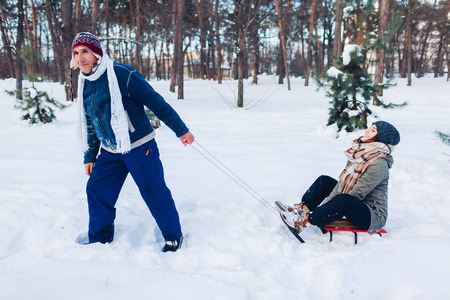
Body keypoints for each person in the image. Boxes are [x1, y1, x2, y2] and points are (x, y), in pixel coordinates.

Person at [70, 32, 194, 252]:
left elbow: (155, 102)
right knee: (97, 190)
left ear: (97, 53)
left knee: (153, 191)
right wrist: (90, 155)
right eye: (76, 53)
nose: (80, 58)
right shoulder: (85, 82)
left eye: (85, 52)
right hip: (110, 150)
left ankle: (173, 235)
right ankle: (100, 236)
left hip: (138, 146)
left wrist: (180, 129)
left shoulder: (121, 74)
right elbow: (90, 121)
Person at [276, 121, 400, 234]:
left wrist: (321, 213)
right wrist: (326, 208)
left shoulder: (379, 164)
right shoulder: (360, 154)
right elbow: (342, 184)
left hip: (371, 216)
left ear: (380, 139)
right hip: (356, 203)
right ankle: (302, 210)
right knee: (324, 181)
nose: (367, 131)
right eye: (370, 128)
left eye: (373, 130)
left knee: (344, 200)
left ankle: (303, 221)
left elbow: (356, 194)